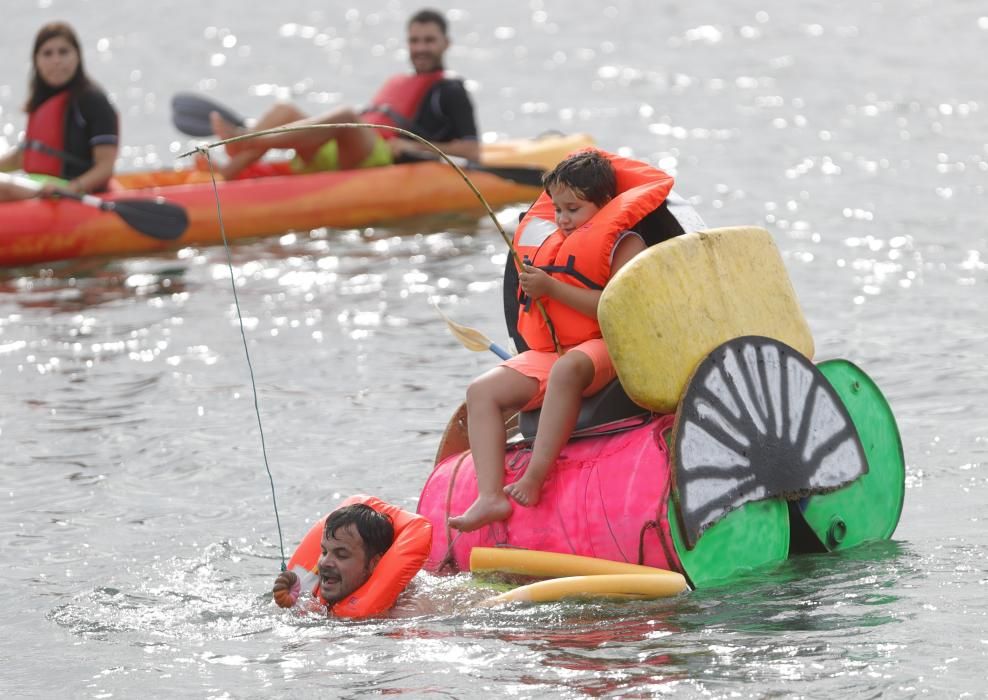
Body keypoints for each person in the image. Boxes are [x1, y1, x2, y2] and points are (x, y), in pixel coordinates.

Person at [448, 150, 650, 532]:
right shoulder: (551, 243)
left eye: (573, 209)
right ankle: (490, 497)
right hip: (553, 350)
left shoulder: (627, 246)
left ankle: (535, 477)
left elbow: (618, 310)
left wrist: (552, 288)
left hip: (608, 346)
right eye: (557, 210)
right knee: (482, 391)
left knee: (568, 369)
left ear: (605, 203)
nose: (562, 220)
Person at [209, 8, 479, 180]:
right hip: (351, 149)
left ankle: (245, 141)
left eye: (429, 41)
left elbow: (473, 151)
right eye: (414, 41)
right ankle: (230, 171)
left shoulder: (450, 91)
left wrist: (412, 146)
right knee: (285, 110)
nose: (421, 48)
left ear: (446, 43)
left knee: (347, 114)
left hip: (382, 159)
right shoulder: (401, 81)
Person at [0, 21, 119, 202]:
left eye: (63, 52)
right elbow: (22, 157)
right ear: (36, 61)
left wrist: (73, 188)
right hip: (44, 186)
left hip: (76, 193)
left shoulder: (93, 101)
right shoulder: (42, 101)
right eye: (47, 53)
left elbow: (105, 167)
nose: (56, 60)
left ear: (77, 56)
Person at [272, 503, 394, 608]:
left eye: (341, 555)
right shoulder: (304, 598)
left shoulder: (396, 614)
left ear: (374, 563)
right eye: (324, 552)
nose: (325, 563)